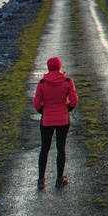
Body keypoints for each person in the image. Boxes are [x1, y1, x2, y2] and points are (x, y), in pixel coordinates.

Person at [32, 55, 78, 189]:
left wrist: (43, 111)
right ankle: (59, 179)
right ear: (59, 66)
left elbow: (36, 103)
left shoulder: (42, 83)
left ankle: (41, 180)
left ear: (48, 67)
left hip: (47, 119)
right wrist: (67, 108)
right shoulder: (67, 81)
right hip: (63, 119)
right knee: (61, 149)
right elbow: (74, 100)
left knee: (44, 149)